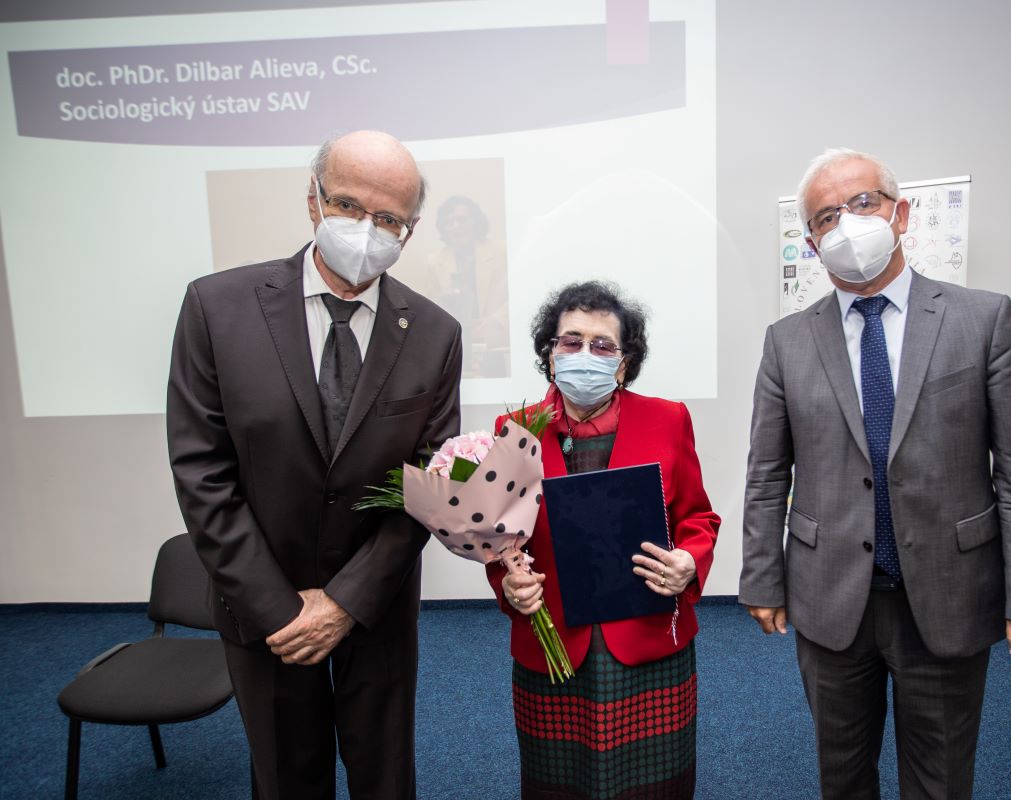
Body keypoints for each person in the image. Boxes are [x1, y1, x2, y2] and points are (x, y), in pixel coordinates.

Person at [739, 147, 1011, 799]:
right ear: (812, 244)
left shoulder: (983, 320)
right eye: (826, 216)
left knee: (940, 780)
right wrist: (761, 578)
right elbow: (767, 475)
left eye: (863, 203)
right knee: (842, 776)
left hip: (947, 590)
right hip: (829, 596)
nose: (847, 223)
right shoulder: (786, 342)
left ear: (902, 213)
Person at [167, 130, 462, 800]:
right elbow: (202, 473)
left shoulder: (436, 332)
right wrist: (277, 609)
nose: (366, 229)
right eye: (348, 205)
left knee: (385, 778)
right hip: (263, 608)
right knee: (287, 778)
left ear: (409, 231)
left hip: (377, 605)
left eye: (388, 219)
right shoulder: (217, 307)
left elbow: (430, 481)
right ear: (313, 200)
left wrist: (347, 602)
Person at [490, 281, 720, 799]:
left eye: (602, 345)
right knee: (558, 785)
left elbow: (697, 517)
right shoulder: (515, 430)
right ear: (550, 354)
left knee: (652, 788)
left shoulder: (668, 419)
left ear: (622, 363)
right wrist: (508, 583)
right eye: (571, 341)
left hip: (647, 639)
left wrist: (689, 559)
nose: (584, 354)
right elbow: (498, 538)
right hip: (553, 642)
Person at [409, 194, 510, 377]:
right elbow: (431, 306)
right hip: (459, 344)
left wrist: (494, 321)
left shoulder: (501, 251)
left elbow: (516, 296)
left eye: (462, 219)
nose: (456, 226)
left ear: (475, 222)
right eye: (449, 222)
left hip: (497, 340)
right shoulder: (435, 262)